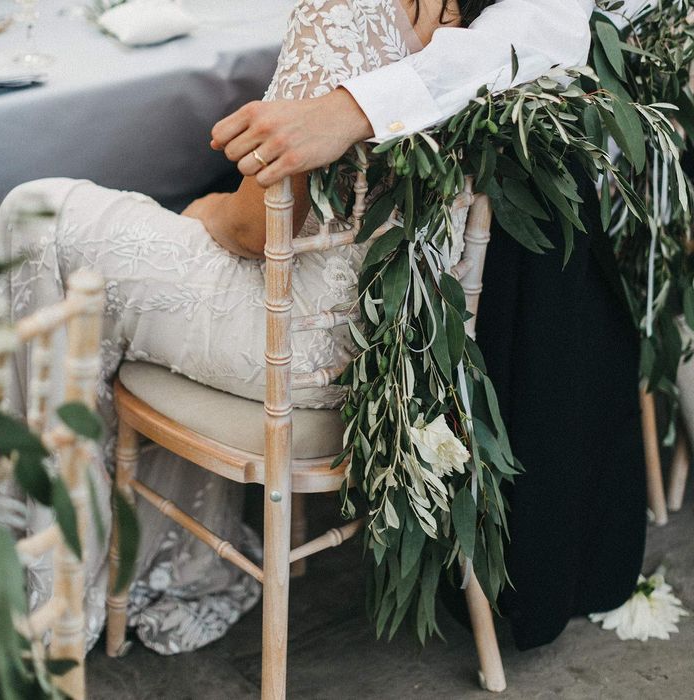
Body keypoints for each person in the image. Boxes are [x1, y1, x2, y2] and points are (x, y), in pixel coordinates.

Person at [0, 0, 479, 656]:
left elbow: (252, 227)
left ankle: (50, 570)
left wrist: (209, 210)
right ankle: (152, 553)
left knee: (33, 214)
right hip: (389, 345)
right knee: (121, 267)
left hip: (293, 347)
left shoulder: (348, 7)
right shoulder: (477, 20)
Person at [211, 0, 654, 650]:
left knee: (64, 213)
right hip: (421, 298)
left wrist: (348, 108)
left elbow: (541, 26)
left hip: (369, 316)